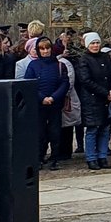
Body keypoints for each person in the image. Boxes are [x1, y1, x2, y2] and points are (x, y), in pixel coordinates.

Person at [24, 37, 71, 171]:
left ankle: (54, 158)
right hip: (39, 105)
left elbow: (64, 83)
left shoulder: (59, 65)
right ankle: (39, 157)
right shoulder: (33, 65)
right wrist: (42, 98)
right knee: (40, 133)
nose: (45, 51)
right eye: (42, 49)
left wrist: (54, 97)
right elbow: (29, 84)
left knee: (55, 132)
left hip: (55, 104)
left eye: (47, 48)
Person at [74, 31, 111, 170]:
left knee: (105, 129)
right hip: (92, 99)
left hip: (106, 98)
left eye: (97, 43)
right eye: (92, 43)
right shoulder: (84, 60)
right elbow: (86, 81)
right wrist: (105, 93)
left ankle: (102, 156)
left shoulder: (105, 57)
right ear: (87, 45)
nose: (95, 45)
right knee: (92, 129)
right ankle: (91, 157)